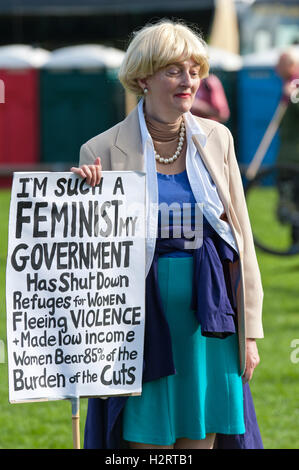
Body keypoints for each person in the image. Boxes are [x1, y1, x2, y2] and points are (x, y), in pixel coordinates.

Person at [71, 19, 264, 450]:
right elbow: (86, 255)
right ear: (144, 77)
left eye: (194, 69)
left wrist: (250, 332)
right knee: (143, 442)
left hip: (211, 325)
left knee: (202, 436)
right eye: (174, 70)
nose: (189, 80)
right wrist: (82, 198)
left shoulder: (218, 139)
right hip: (138, 328)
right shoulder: (99, 150)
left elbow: (242, 239)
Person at [275, 47, 299, 247]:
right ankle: (294, 243)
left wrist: (293, 97)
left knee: (293, 203)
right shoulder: (288, 84)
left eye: (280, 64)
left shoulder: (295, 86)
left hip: (295, 159)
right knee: (289, 205)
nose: (276, 68)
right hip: (287, 158)